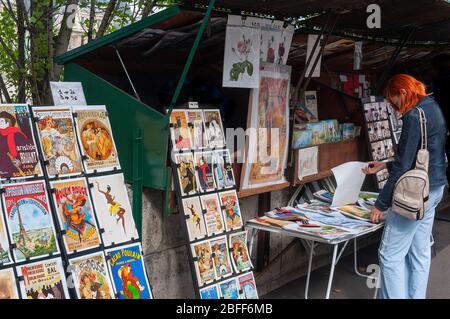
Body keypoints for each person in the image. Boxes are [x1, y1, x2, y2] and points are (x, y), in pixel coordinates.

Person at [362, 74, 447, 299]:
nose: (393, 106)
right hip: (434, 188)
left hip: (414, 195)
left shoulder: (413, 116)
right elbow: (420, 155)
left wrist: (381, 204)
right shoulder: (432, 107)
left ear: (402, 92)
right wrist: (384, 164)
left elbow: (403, 166)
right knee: (419, 252)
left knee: (390, 255)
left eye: (392, 100)